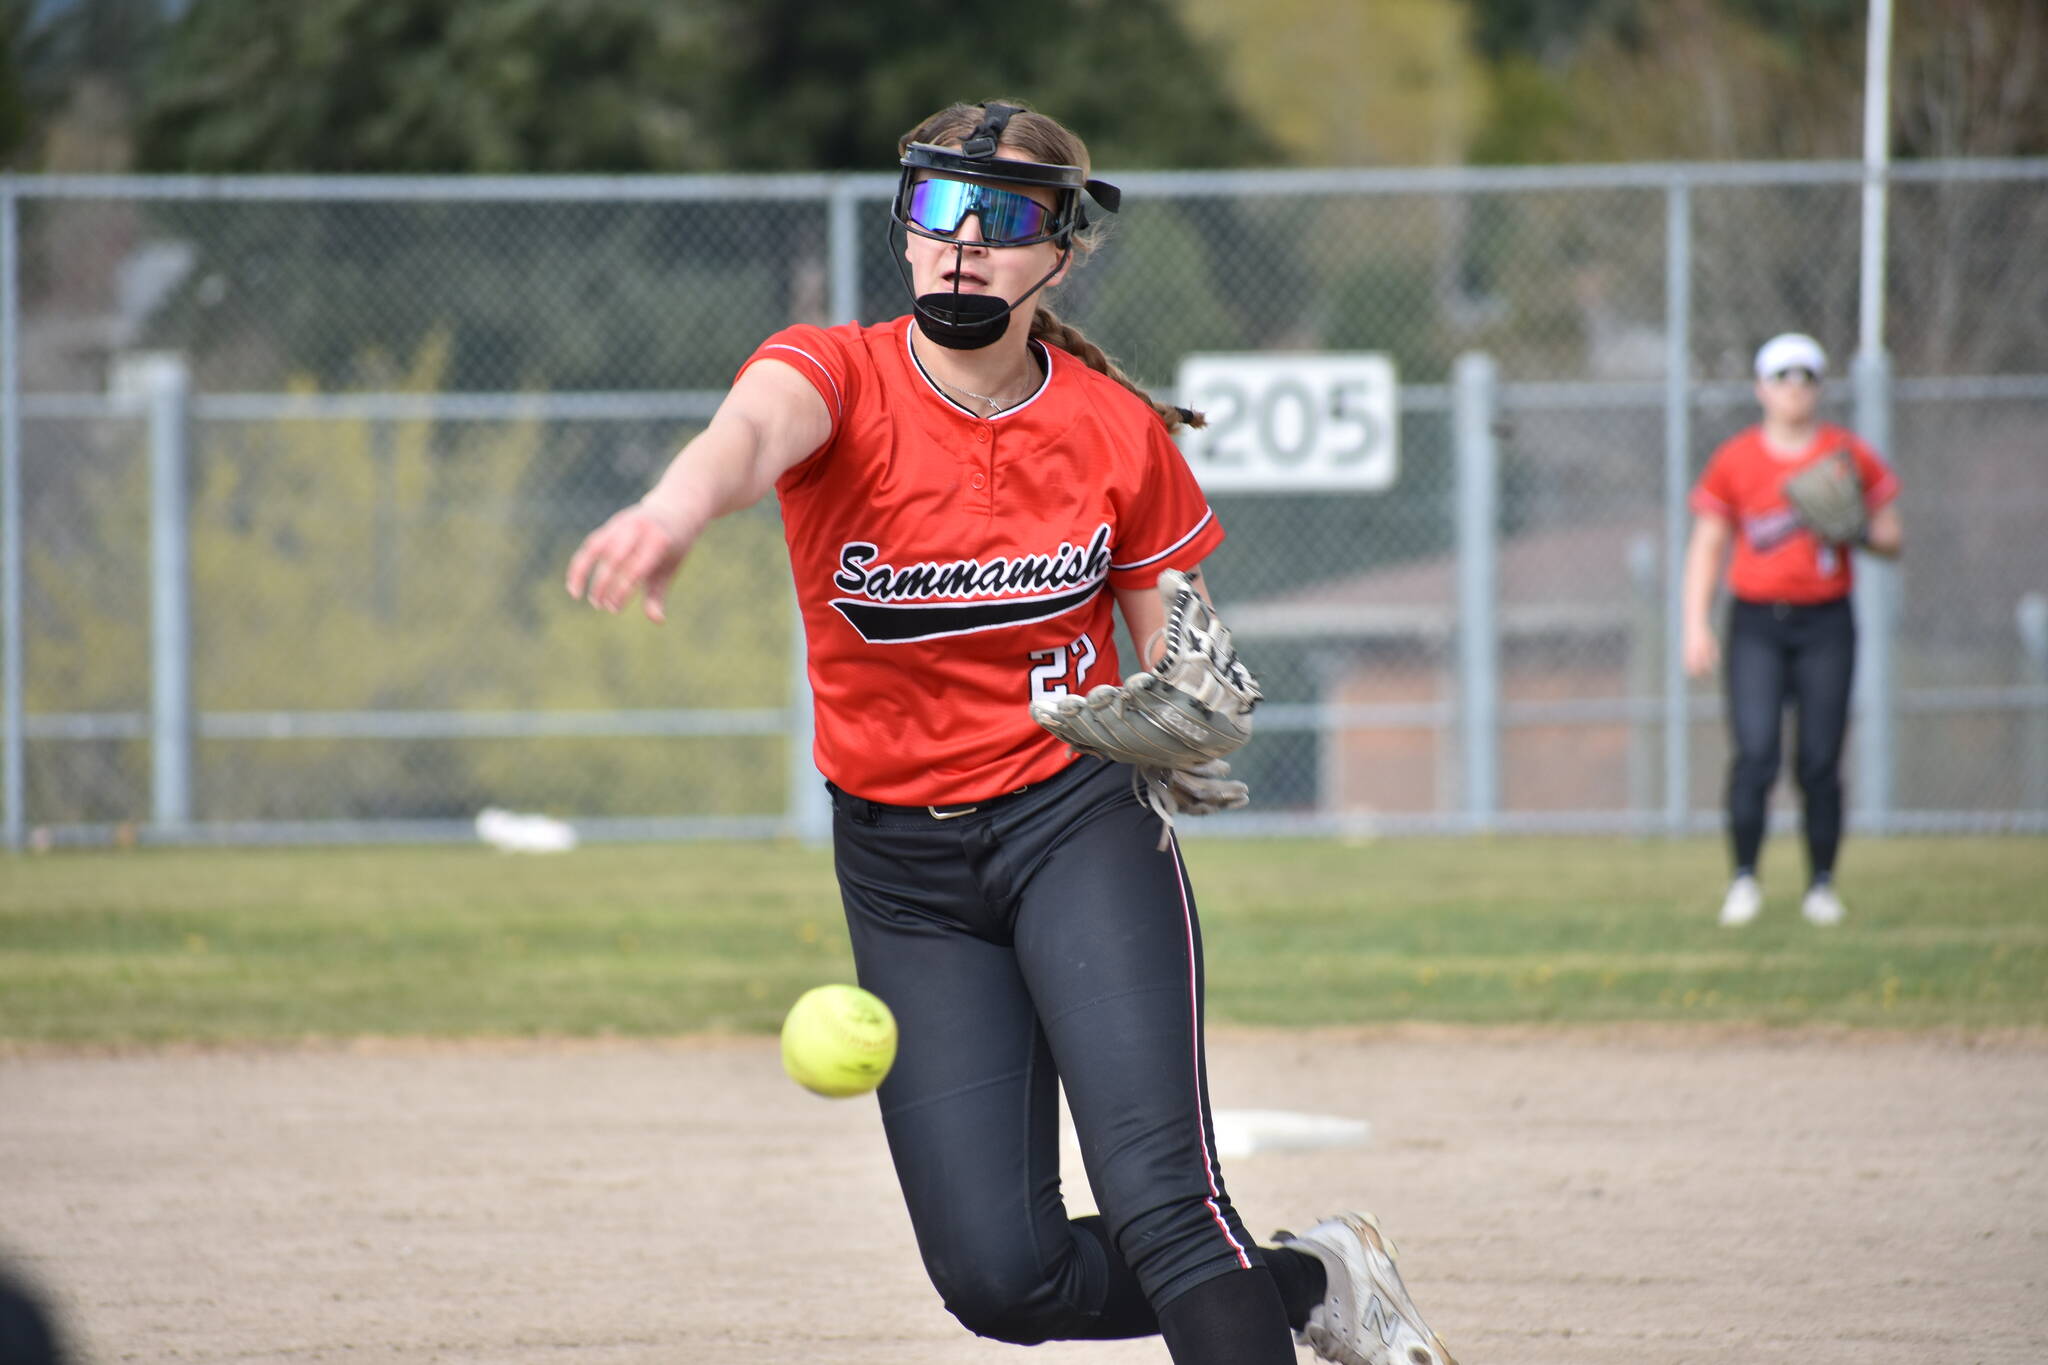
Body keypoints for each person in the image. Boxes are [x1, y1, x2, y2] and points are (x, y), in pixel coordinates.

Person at [567, 100, 1455, 1365]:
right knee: (1001, 1280)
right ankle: (1311, 1280)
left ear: (1063, 249)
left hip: (1071, 821)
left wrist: (1191, 715)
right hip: (902, 869)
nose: (965, 242)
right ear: (904, 227)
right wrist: (671, 512)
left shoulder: (1109, 428)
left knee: (1164, 1209)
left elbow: (1178, 640)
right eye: (937, 207)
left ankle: (1253, 1283)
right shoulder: (838, 374)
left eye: (1008, 215)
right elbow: (750, 433)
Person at [1682, 332, 1902, 928]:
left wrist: (1852, 528)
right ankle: (1745, 880)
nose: (1793, 389)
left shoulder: (1845, 454)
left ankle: (1821, 886)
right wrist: (1694, 623)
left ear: (1819, 387)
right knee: (1755, 753)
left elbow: (1891, 536)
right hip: (1756, 620)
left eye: (1805, 377)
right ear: (1761, 388)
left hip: (1827, 621)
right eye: (1782, 378)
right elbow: (1707, 543)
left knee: (1818, 760)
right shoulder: (1737, 459)